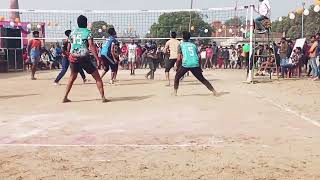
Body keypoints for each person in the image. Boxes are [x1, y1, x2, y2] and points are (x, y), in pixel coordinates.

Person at [63, 15, 107, 103]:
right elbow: (91, 45)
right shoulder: (87, 32)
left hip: (73, 56)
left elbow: (69, 45)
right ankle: (103, 97)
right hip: (83, 57)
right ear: (86, 23)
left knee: (72, 77)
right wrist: (97, 59)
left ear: (77, 23)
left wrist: (68, 54)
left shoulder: (72, 32)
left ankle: (65, 97)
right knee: (97, 77)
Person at [173, 31, 217, 96]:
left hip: (186, 64)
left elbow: (179, 58)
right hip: (195, 64)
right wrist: (199, 66)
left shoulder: (181, 45)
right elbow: (198, 56)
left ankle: (175, 93)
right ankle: (214, 91)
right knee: (202, 79)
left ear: (182, 37)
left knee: (177, 77)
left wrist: (176, 66)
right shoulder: (194, 45)